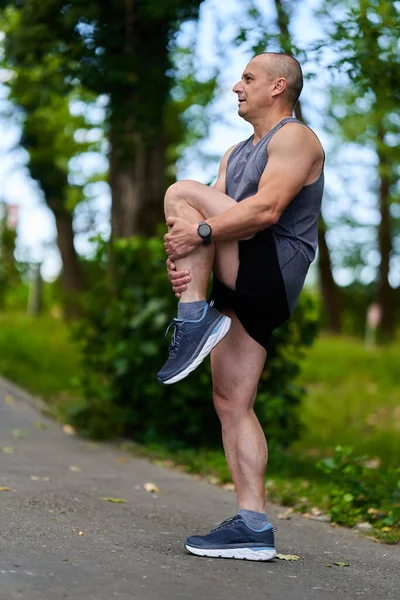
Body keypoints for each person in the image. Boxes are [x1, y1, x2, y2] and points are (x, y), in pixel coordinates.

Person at [157, 52, 324, 561]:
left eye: (248, 78)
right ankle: (253, 526)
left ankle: (192, 320)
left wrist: (200, 229)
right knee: (232, 402)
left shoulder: (295, 137)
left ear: (279, 87)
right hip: (239, 273)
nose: (237, 86)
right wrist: (188, 253)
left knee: (183, 191)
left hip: (272, 265)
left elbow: (266, 210)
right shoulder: (236, 152)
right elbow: (213, 220)